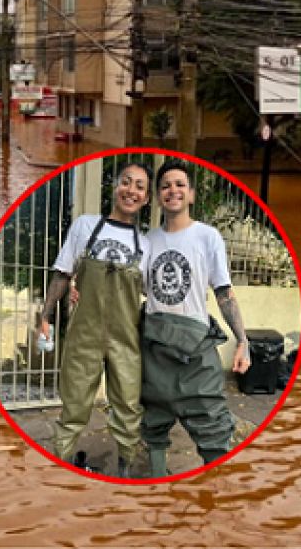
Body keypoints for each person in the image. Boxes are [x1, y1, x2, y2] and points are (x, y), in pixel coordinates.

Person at [38, 161, 152, 478]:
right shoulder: (85, 226)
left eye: (140, 186)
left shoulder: (147, 245)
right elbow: (62, 274)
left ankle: (125, 472)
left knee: (128, 411)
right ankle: (58, 470)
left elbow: (153, 297)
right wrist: (45, 316)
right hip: (83, 336)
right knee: (73, 409)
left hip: (125, 341)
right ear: (115, 187)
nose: (131, 190)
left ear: (146, 198)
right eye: (126, 182)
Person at [140, 160, 252, 477]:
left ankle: (213, 495)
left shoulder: (207, 236)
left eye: (179, 185)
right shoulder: (147, 241)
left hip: (195, 346)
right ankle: (157, 481)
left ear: (190, 195)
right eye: (165, 186)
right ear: (158, 197)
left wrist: (243, 341)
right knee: (154, 420)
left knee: (212, 424)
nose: (172, 190)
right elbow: (133, 287)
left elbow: (224, 293)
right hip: (155, 346)